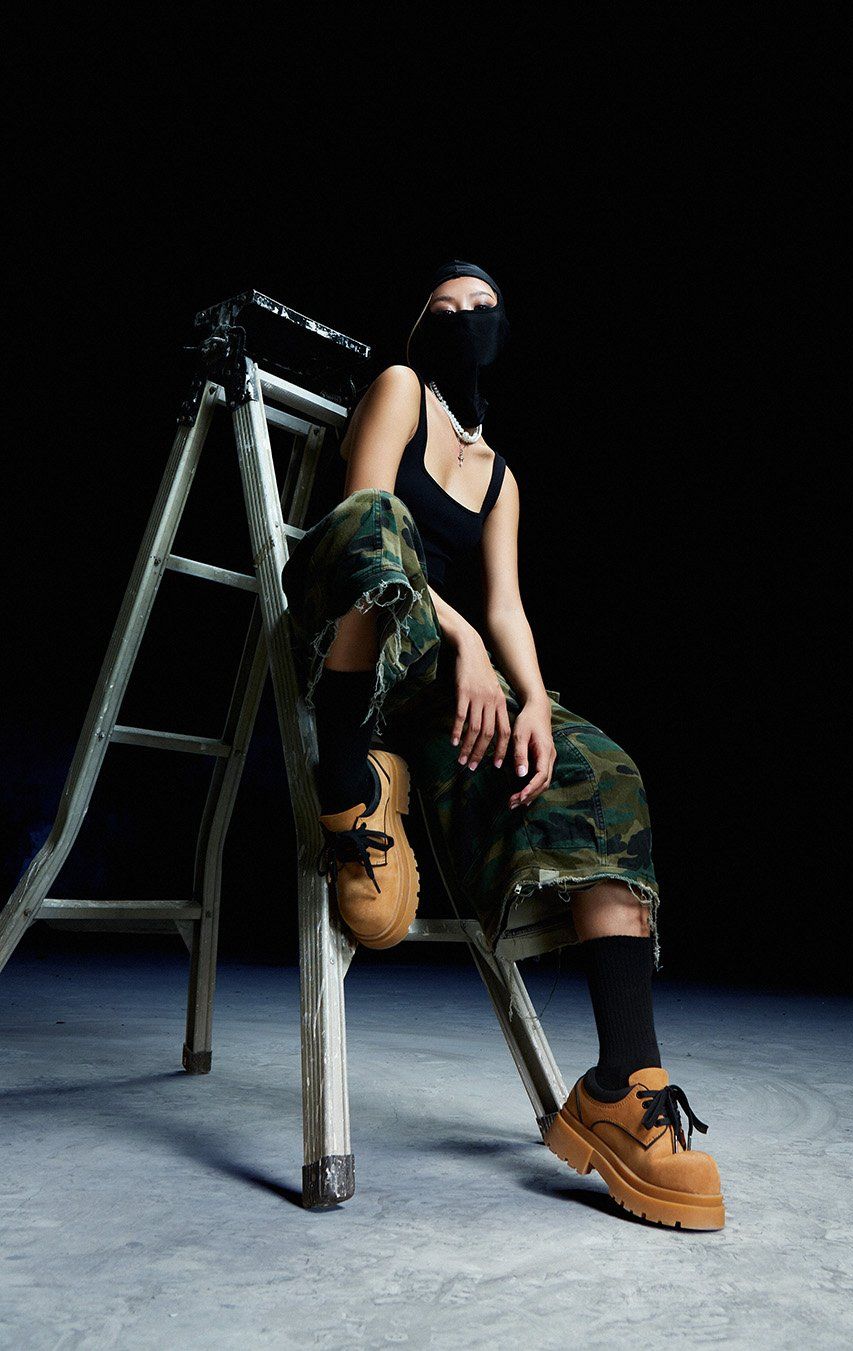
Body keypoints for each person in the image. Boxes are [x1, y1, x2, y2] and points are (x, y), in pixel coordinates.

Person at [280, 260, 724, 1230]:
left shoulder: (502, 476)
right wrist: (466, 642)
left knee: (603, 772)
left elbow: (510, 607)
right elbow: (364, 517)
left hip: (447, 694)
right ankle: (348, 788)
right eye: (445, 306)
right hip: (358, 645)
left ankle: (622, 1086)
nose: (465, 316)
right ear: (419, 330)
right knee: (378, 524)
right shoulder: (401, 388)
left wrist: (529, 702)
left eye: (482, 306)